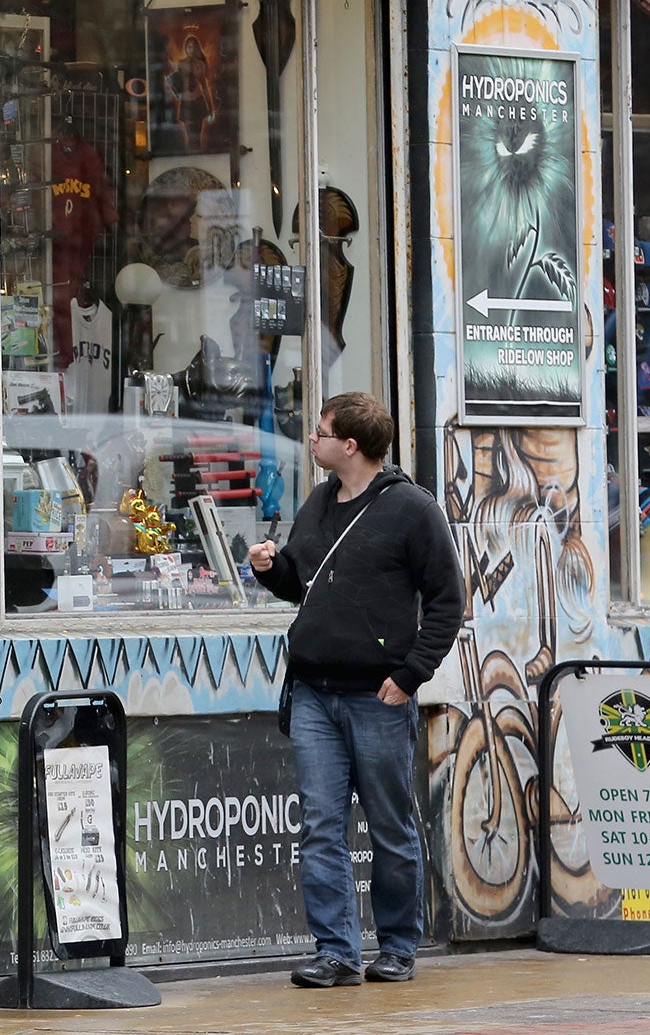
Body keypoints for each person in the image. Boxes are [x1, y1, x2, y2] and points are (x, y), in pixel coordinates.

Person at [247, 392, 463, 989]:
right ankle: (336, 952)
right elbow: (301, 583)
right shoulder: (318, 502)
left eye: (319, 434)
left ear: (350, 445)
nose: (311, 442)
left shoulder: (412, 510)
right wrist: (271, 568)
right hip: (314, 690)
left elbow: (448, 602)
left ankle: (397, 946)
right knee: (320, 823)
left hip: (378, 696)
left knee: (390, 825)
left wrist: (409, 675)